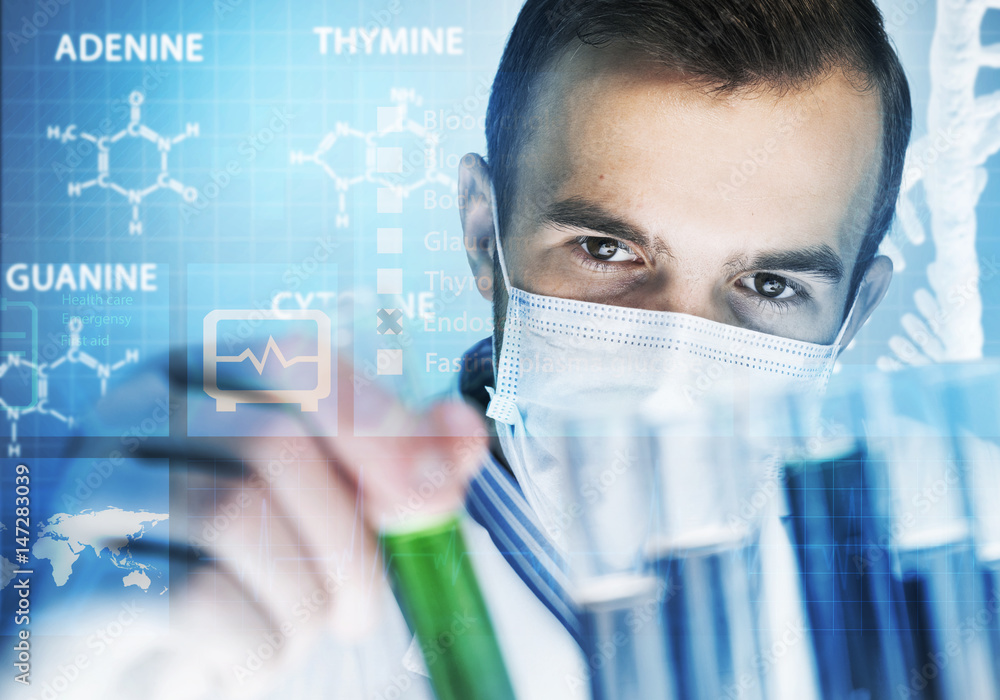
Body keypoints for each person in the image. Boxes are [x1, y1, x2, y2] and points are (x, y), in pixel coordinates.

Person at [19, 0, 911, 698]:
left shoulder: (952, 560)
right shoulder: (297, 575)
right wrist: (83, 658)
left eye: (771, 286)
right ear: (483, 233)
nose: (674, 379)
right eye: (607, 251)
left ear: (857, 313)